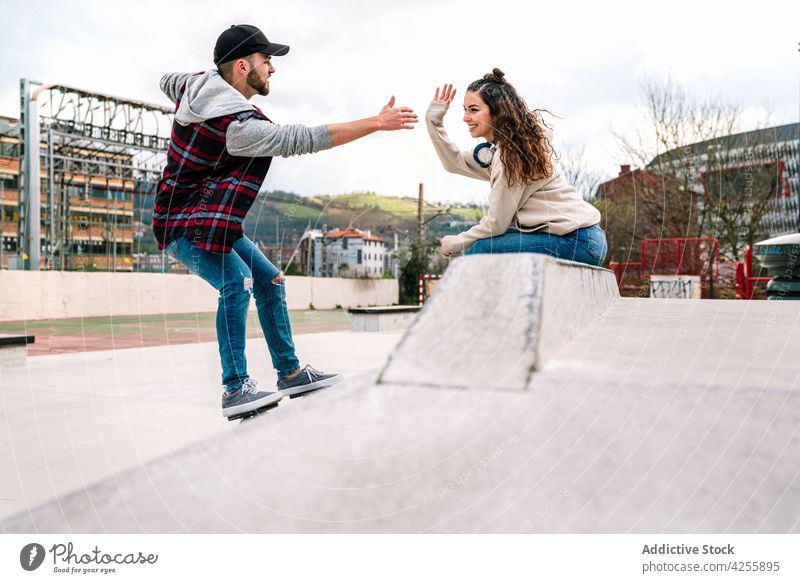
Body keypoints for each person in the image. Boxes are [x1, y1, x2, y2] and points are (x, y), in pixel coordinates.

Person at [153, 24, 417, 419]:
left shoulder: (192, 83)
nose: (272, 69)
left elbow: (165, 80)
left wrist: (194, 87)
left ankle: (290, 373)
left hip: (210, 221)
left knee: (270, 279)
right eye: (266, 61)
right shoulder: (239, 129)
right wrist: (375, 123)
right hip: (180, 226)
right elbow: (305, 138)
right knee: (236, 282)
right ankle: (235, 388)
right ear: (242, 67)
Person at [425, 69, 607, 265]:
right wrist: (434, 122)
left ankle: (464, 297)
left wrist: (455, 242)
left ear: (497, 112)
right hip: (582, 239)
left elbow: (496, 224)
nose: (465, 117)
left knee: (482, 248)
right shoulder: (502, 152)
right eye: (465, 109)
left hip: (577, 241)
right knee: (490, 243)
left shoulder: (511, 157)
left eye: (473, 109)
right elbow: (455, 162)